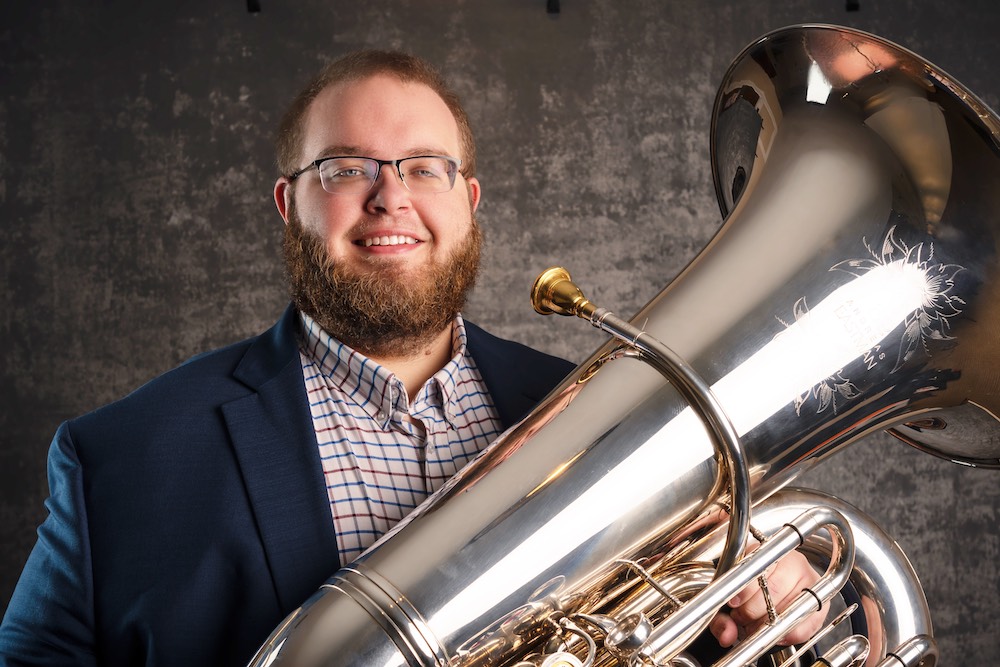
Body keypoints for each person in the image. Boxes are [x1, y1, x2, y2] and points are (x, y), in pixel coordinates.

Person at [0, 50, 822, 666]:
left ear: (467, 201)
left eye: (425, 167)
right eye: (346, 167)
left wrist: (769, 617)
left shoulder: (608, 420)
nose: (390, 195)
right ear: (291, 206)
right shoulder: (119, 460)